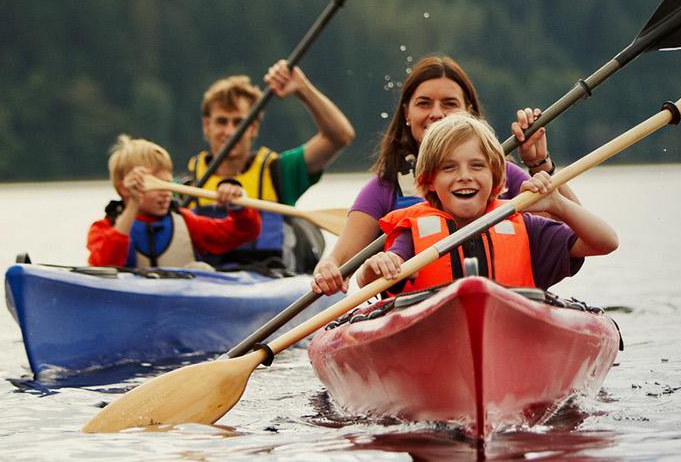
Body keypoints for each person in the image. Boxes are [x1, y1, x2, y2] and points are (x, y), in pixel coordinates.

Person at [310, 55, 573, 295]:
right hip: (416, 316)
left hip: (509, 305)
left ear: (468, 111)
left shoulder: (501, 174)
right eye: (424, 104)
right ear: (407, 115)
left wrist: (538, 163)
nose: (436, 113)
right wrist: (328, 269)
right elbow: (340, 261)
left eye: (449, 103)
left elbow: (574, 232)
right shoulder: (384, 188)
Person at [353, 114, 615, 294]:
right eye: (449, 168)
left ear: (497, 179)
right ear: (429, 181)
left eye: (477, 166)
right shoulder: (413, 235)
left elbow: (606, 242)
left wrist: (558, 204)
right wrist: (373, 267)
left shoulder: (526, 227)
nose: (464, 175)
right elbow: (367, 282)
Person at [185, 60, 355, 273]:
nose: (229, 132)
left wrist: (302, 89)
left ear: (253, 128)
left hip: (269, 282)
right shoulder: (186, 186)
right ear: (206, 126)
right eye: (221, 121)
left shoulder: (279, 171)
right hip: (206, 283)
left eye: (239, 123)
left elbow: (339, 136)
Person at [86, 136, 260, 270]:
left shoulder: (186, 222)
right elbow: (105, 266)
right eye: (156, 185)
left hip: (181, 310)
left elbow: (244, 232)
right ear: (124, 188)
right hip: (131, 310)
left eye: (168, 183)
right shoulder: (102, 229)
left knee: (201, 269)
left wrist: (237, 205)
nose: (166, 192)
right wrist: (133, 205)